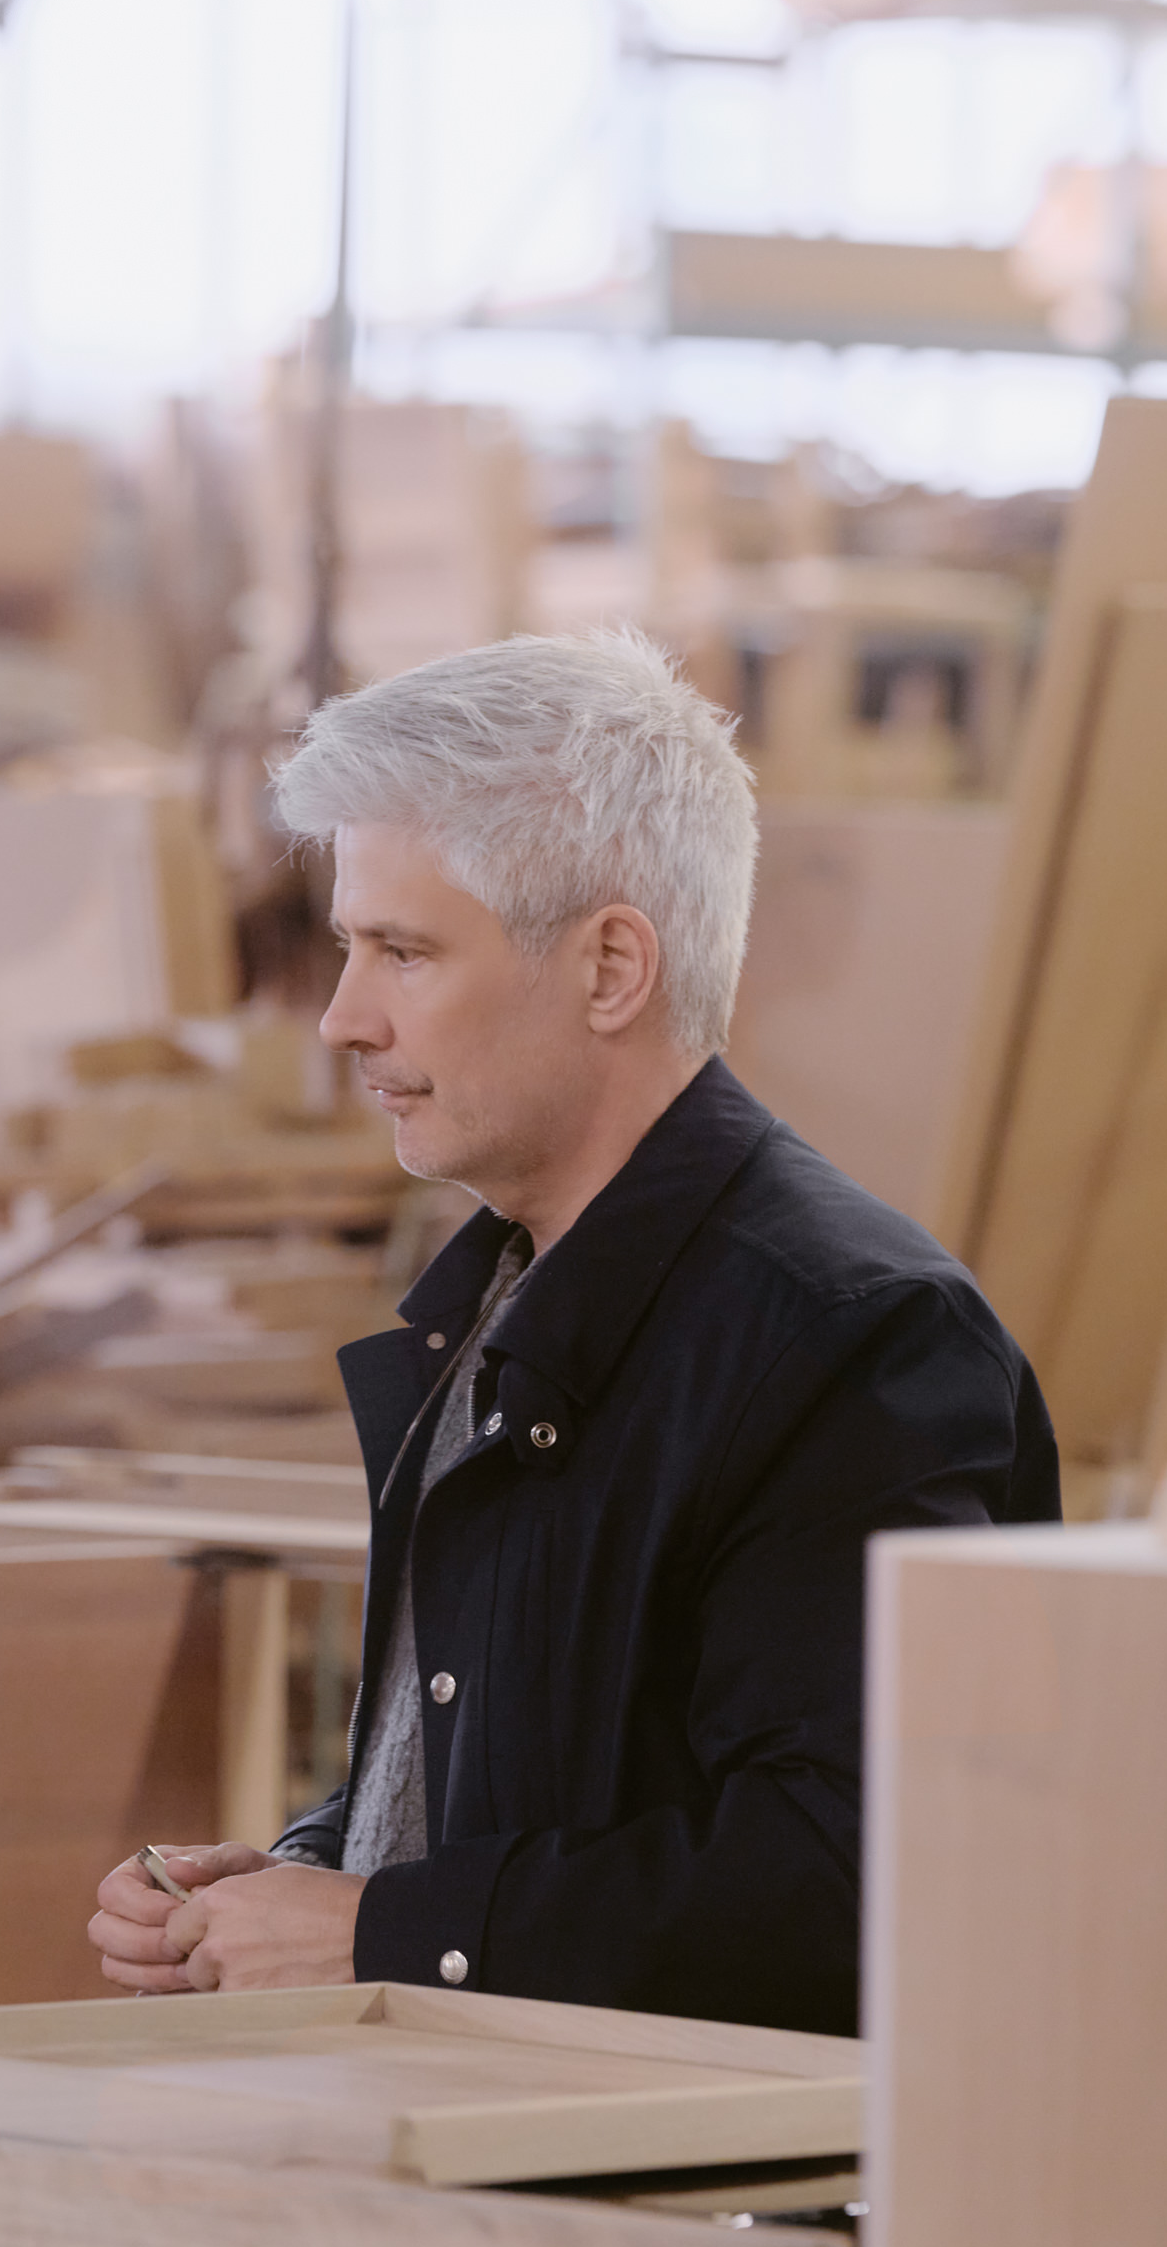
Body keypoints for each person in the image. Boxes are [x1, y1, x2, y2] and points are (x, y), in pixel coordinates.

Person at [89, 629, 1054, 2032]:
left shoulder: (856, 1342)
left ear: (610, 967)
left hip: (694, 2213)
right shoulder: (500, 1305)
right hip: (498, 2158)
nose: (345, 1019)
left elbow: (853, 1874)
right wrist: (307, 1875)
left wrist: (386, 1927)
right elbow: (535, 1764)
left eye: (402, 951)